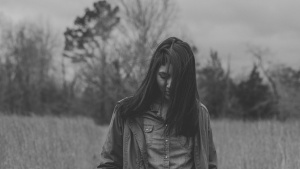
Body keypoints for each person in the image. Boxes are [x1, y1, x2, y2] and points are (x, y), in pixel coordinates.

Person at [97, 37, 217, 169]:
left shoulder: (200, 114)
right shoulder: (125, 112)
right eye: (164, 76)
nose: (170, 85)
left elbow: (210, 165)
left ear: (186, 80)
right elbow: (109, 164)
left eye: (177, 79)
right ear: (153, 74)